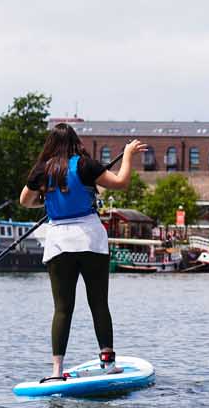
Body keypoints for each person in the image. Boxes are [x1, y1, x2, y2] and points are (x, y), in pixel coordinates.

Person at [19, 125, 144, 379]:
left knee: (62, 308)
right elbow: (121, 183)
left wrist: (47, 198)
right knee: (98, 303)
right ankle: (108, 363)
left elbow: (25, 201)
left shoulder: (42, 170)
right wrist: (128, 154)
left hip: (58, 243)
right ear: (76, 142)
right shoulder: (86, 165)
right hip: (90, 240)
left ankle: (56, 370)